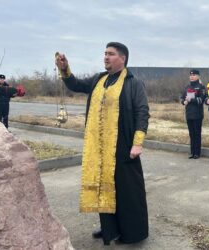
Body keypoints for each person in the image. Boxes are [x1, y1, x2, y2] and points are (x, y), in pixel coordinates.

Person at [55, 42, 149, 245]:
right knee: (103, 187)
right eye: (105, 53)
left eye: (111, 54)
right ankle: (110, 228)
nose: (106, 57)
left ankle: (131, 231)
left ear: (122, 58)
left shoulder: (133, 83)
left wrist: (138, 143)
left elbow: (142, 112)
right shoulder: (99, 79)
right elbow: (76, 85)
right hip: (99, 147)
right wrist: (64, 69)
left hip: (123, 144)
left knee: (126, 190)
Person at [180, 69, 206, 159]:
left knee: (197, 134)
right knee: (191, 134)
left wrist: (191, 100)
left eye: (194, 75)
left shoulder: (201, 87)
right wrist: (184, 102)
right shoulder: (187, 87)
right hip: (189, 114)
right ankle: (192, 152)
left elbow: (201, 100)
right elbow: (181, 98)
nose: (192, 76)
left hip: (197, 114)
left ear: (198, 76)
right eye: (191, 75)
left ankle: (197, 153)